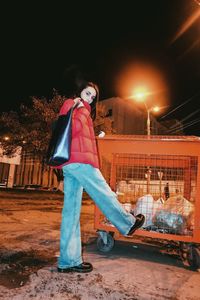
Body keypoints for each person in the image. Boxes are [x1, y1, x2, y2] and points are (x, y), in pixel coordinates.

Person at [54, 81, 145, 273]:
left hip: (72, 163)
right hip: (80, 161)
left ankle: (68, 261)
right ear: (79, 91)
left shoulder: (81, 109)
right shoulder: (73, 104)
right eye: (87, 93)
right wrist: (81, 110)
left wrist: (95, 134)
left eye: (92, 97)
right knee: (104, 192)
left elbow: (77, 135)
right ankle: (127, 224)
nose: (89, 98)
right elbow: (66, 130)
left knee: (71, 213)